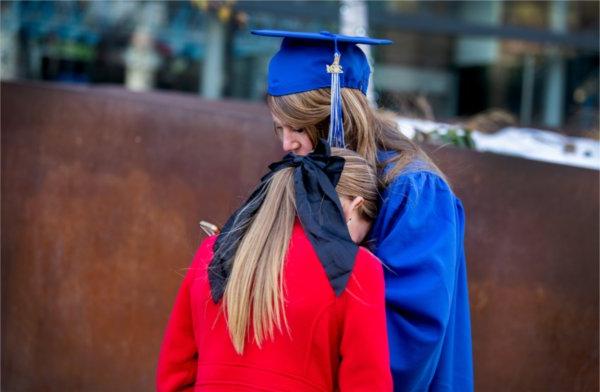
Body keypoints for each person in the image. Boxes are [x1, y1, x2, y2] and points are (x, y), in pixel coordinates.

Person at [252, 30, 474, 391]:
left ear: (339, 117)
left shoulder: (413, 190)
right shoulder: (305, 168)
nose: (286, 143)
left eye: (299, 127)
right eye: (279, 127)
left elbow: (411, 331)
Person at [157, 143, 393, 391]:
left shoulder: (212, 251)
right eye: (359, 235)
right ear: (352, 207)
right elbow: (368, 383)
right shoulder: (358, 267)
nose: (354, 244)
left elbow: (174, 374)